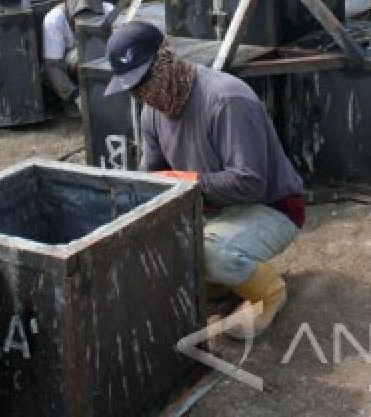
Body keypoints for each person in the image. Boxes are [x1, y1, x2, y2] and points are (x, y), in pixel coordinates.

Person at [103, 21, 305, 338]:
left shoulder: (226, 99)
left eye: (145, 81)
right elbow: (150, 181)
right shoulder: (151, 112)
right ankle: (222, 284)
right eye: (133, 87)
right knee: (152, 246)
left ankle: (269, 294)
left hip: (270, 207)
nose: (143, 93)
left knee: (212, 254)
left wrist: (185, 180)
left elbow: (250, 182)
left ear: (165, 60)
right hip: (213, 211)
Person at [41, 0, 112, 111]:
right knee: (78, 57)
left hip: (102, 58)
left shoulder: (109, 11)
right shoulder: (54, 20)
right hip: (70, 68)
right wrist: (75, 96)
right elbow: (53, 65)